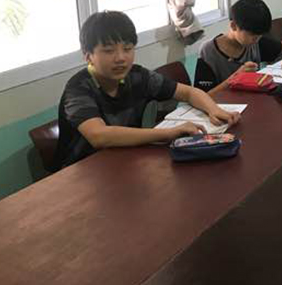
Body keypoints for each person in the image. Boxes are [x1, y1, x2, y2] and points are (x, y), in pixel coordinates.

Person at [56, 11, 240, 169]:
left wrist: (214, 110)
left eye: (127, 48)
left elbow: (189, 92)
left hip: (125, 161)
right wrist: (169, 133)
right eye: (109, 51)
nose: (121, 58)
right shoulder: (77, 88)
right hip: (82, 173)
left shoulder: (137, 76)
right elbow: (99, 136)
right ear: (88, 56)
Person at [194, 0, 282, 95]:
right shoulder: (208, 51)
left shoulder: (255, 42)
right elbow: (203, 97)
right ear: (233, 26)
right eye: (252, 35)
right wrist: (236, 78)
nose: (256, 39)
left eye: (259, 35)